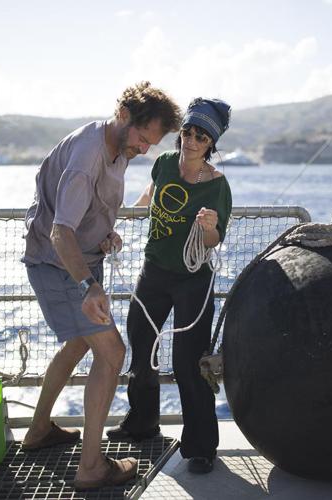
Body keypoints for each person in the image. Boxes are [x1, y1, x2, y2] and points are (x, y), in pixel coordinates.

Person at [20, 82, 182, 490]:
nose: (145, 149)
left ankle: (38, 430)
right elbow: (61, 233)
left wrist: (105, 234)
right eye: (143, 139)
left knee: (78, 345)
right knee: (112, 354)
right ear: (124, 114)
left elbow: (88, 213)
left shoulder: (119, 146)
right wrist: (90, 286)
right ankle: (91, 467)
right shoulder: (88, 155)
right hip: (59, 265)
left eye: (152, 143)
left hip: (78, 260)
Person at [107, 98, 233, 474]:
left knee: (188, 362)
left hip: (194, 280)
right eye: (189, 132)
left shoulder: (217, 186)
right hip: (154, 271)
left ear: (211, 142)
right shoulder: (163, 164)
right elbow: (150, 196)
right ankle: (143, 420)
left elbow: (214, 242)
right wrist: (122, 216)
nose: (192, 140)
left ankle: (200, 446)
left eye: (201, 136)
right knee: (141, 343)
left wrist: (209, 228)